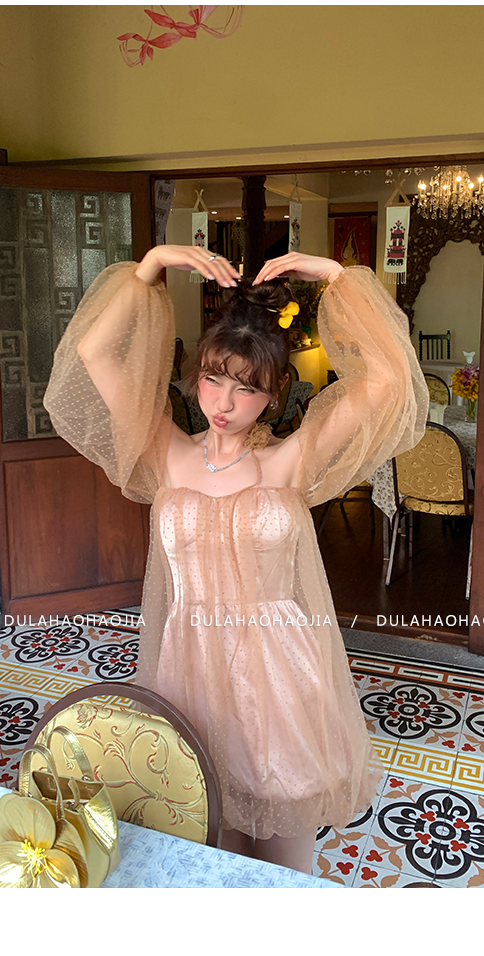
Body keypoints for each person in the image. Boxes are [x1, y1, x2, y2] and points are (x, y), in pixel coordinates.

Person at [43, 245, 427, 875]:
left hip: (279, 675)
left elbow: (386, 380)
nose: (224, 401)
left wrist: (337, 277)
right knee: (209, 846)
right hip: (188, 668)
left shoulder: (289, 462)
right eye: (213, 379)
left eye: (246, 388)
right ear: (196, 377)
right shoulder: (165, 451)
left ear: (272, 397)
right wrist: (152, 263)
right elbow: (93, 353)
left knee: (284, 862)